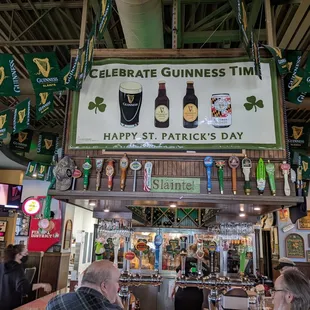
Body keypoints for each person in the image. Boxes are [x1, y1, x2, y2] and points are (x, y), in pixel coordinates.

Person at [47, 260, 124, 310]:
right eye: (117, 281)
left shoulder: (55, 301)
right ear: (104, 286)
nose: (118, 286)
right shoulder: (109, 308)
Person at [0, 244, 52, 310]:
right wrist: (42, 285)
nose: (28, 254)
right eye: (26, 253)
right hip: (12, 304)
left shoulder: (2, 265)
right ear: (18, 255)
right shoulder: (17, 269)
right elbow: (23, 287)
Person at [172, 244, 210, 310]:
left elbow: (178, 277)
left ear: (193, 252)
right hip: (196, 296)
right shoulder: (205, 267)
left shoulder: (186, 261)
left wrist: (173, 289)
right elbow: (207, 283)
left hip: (182, 294)